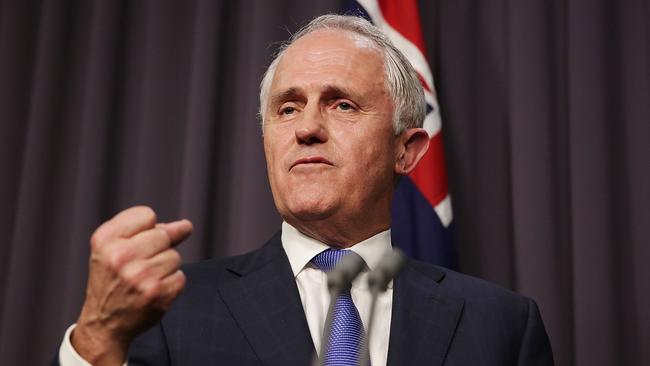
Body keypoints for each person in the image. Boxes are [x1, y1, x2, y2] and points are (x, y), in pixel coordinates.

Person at [54, 14, 554, 366]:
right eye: (287, 108)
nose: (306, 128)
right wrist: (97, 340)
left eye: (342, 105)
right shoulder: (166, 311)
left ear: (407, 151)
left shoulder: (501, 325)